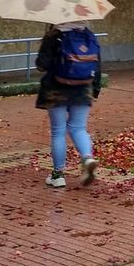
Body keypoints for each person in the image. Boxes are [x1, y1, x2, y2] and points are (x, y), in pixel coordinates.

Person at [35, 21, 102, 188]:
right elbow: (97, 66)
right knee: (78, 127)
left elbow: (42, 65)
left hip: (56, 88)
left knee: (58, 130)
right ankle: (87, 158)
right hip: (84, 88)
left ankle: (58, 175)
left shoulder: (54, 36)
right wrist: (95, 89)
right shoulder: (88, 35)